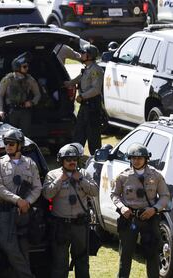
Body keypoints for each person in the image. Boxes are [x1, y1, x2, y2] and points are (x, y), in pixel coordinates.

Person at [111, 143, 170, 278]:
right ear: (130, 159)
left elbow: (165, 196)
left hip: (149, 219)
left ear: (146, 159)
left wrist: (154, 209)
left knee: (152, 254)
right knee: (125, 254)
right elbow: (114, 194)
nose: (136, 161)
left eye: (140, 158)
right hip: (129, 219)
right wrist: (122, 207)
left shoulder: (156, 175)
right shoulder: (123, 176)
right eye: (133, 158)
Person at [0, 129, 42, 278]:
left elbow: (37, 187)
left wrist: (27, 202)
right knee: (9, 247)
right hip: (7, 211)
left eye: (12, 143)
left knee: (23, 247)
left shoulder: (30, 163)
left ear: (20, 145)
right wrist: (17, 200)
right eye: (6, 143)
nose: (8, 146)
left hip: (24, 212)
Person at [42, 143, 98, 278]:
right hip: (60, 225)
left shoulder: (84, 174)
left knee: (82, 261)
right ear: (61, 161)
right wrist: (60, 180)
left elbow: (95, 191)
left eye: (74, 159)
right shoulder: (52, 175)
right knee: (60, 263)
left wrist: (81, 180)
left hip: (80, 225)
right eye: (68, 160)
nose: (72, 162)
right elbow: (47, 194)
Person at [64, 44, 104, 155]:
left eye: (83, 53)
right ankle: (75, 155)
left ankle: (96, 159)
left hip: (92, 107)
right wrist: (66, 84)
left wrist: (82, 96)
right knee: (79, 132)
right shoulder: (86, 70)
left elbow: (96, 89)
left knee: (93, 136)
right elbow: (77, 80)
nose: (81, 55)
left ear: (89, 55)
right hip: (85, 106)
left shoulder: (96, 70)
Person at [0, 52, 41, 136]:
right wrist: (0, 110)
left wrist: (32, 102)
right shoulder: (8, 79)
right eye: (24, 66)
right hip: (11, 111)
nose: (27, 68)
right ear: (17, 67)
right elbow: (0, 95)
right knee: (10, 134)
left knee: (25, 134)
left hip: (25, 111)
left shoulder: (30, 79)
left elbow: (38, 94)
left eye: (27, 66)